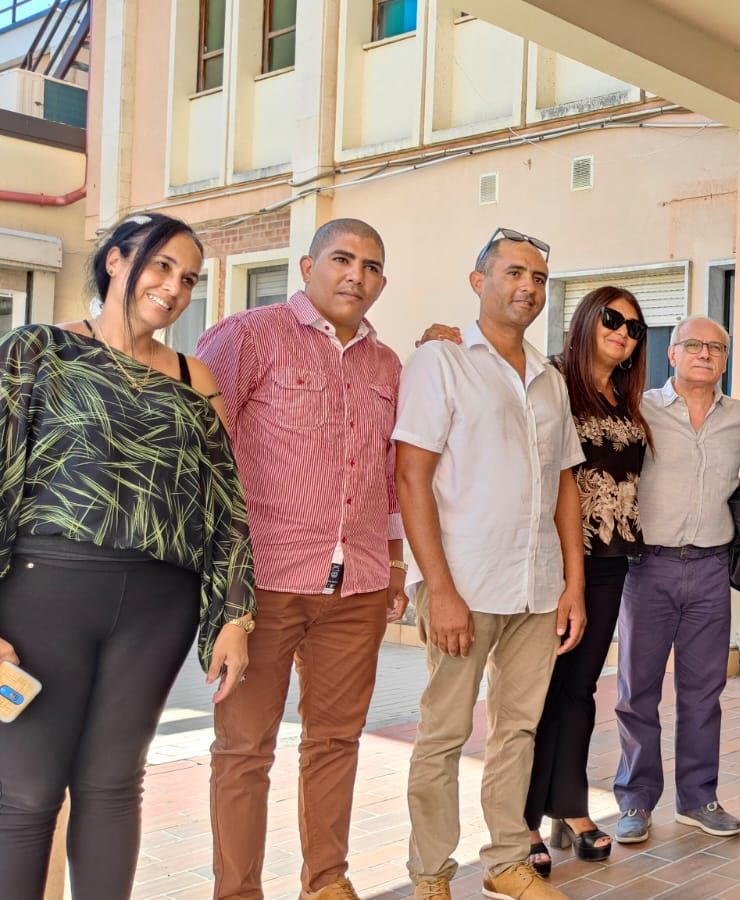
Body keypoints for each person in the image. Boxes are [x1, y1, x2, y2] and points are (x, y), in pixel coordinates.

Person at [0, 213, 254, 899]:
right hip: (42, 593)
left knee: (113, 785)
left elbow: (224, 502)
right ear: (115, 262)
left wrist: (233, 617)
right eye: (161, 266)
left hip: (156, 606)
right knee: (25, 794)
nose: (174, 288)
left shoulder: (193, 378)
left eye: (189, 278)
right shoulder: (36, 351)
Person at [200, 218, 406, 900]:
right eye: (343, 259)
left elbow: (390, 473)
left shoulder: (387, 365)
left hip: (359, 590)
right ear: (307, 265)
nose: (357, 275)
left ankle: (326, 881)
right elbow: (203, 452)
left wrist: (397, 566)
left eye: (372, 266)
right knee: (243, 751)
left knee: (336, 741)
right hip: (262, 585)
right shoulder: (249, 336)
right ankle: (238, 893)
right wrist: (217, 581)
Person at [413, 286, 653, 871]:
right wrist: (436, 338)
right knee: (525, 704)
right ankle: (515, 830)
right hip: (540, 560)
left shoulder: (627, 397)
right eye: (613, 320)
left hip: (599, 562)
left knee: (574, 693)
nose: (624, 333)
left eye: (635, 328)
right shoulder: (549, 377)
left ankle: (561, 810)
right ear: (586, 321)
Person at [395, 228, 585, 900]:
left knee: (518, 730)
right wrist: (436, 589)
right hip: (464, 585)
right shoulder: (439, 363)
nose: (528, 287)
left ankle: (507, 861)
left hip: (537, 585)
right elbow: (411, 477)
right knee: (444, 733)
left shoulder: (550, 379)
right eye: (513, 273)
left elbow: (567, 485)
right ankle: (430, 874)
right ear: (479, 281)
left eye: (538, 278)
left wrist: (573, 587)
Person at [612, 315, 740, 845]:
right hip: (647, 567)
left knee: (704, 692)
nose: (705, 354)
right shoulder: (639, 409)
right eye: (693, 345)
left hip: (712, 568)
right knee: (637, 690)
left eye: (717, 347)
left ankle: (699, 798)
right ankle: (634, 799)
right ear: (671, 354)